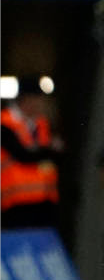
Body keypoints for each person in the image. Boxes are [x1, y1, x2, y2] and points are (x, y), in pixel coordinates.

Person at [0, 76, 60, 229]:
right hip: (16, 203)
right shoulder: (5, 124)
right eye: (39, 99)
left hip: (44, 201)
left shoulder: (42, 124)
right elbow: (23, 155)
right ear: (27, 99)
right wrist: (49, 150)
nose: (42, 104)